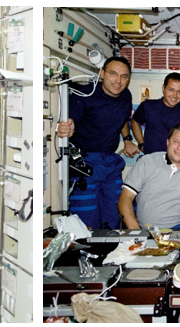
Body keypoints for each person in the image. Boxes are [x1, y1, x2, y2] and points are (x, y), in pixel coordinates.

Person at [56, 57, 136, 228]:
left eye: (124, 76)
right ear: (102, 73)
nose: (118, 81)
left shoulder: (126, 96)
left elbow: (122, 119)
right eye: (113, 74)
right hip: (85, 163)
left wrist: (127, 139)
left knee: (114, 215)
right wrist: (64, 128)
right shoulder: (85, 94)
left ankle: (113, 252)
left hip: (110, 163)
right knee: (87, 219)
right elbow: (69, 121)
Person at [119, 124, 180, 230]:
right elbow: (125, 199)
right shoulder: (147, 162)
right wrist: (137, 234)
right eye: (176, 141)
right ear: (168, 142)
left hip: (177, 231)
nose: (179, 148)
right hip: (143, 230)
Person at [130, 72, 180, 154]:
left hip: (176, 161)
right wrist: (141, 144)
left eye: (179, 92)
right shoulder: (148, 106)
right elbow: (135, 121)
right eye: (171, 90)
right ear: (163, 88)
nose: (174, 95)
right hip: (151, 159)